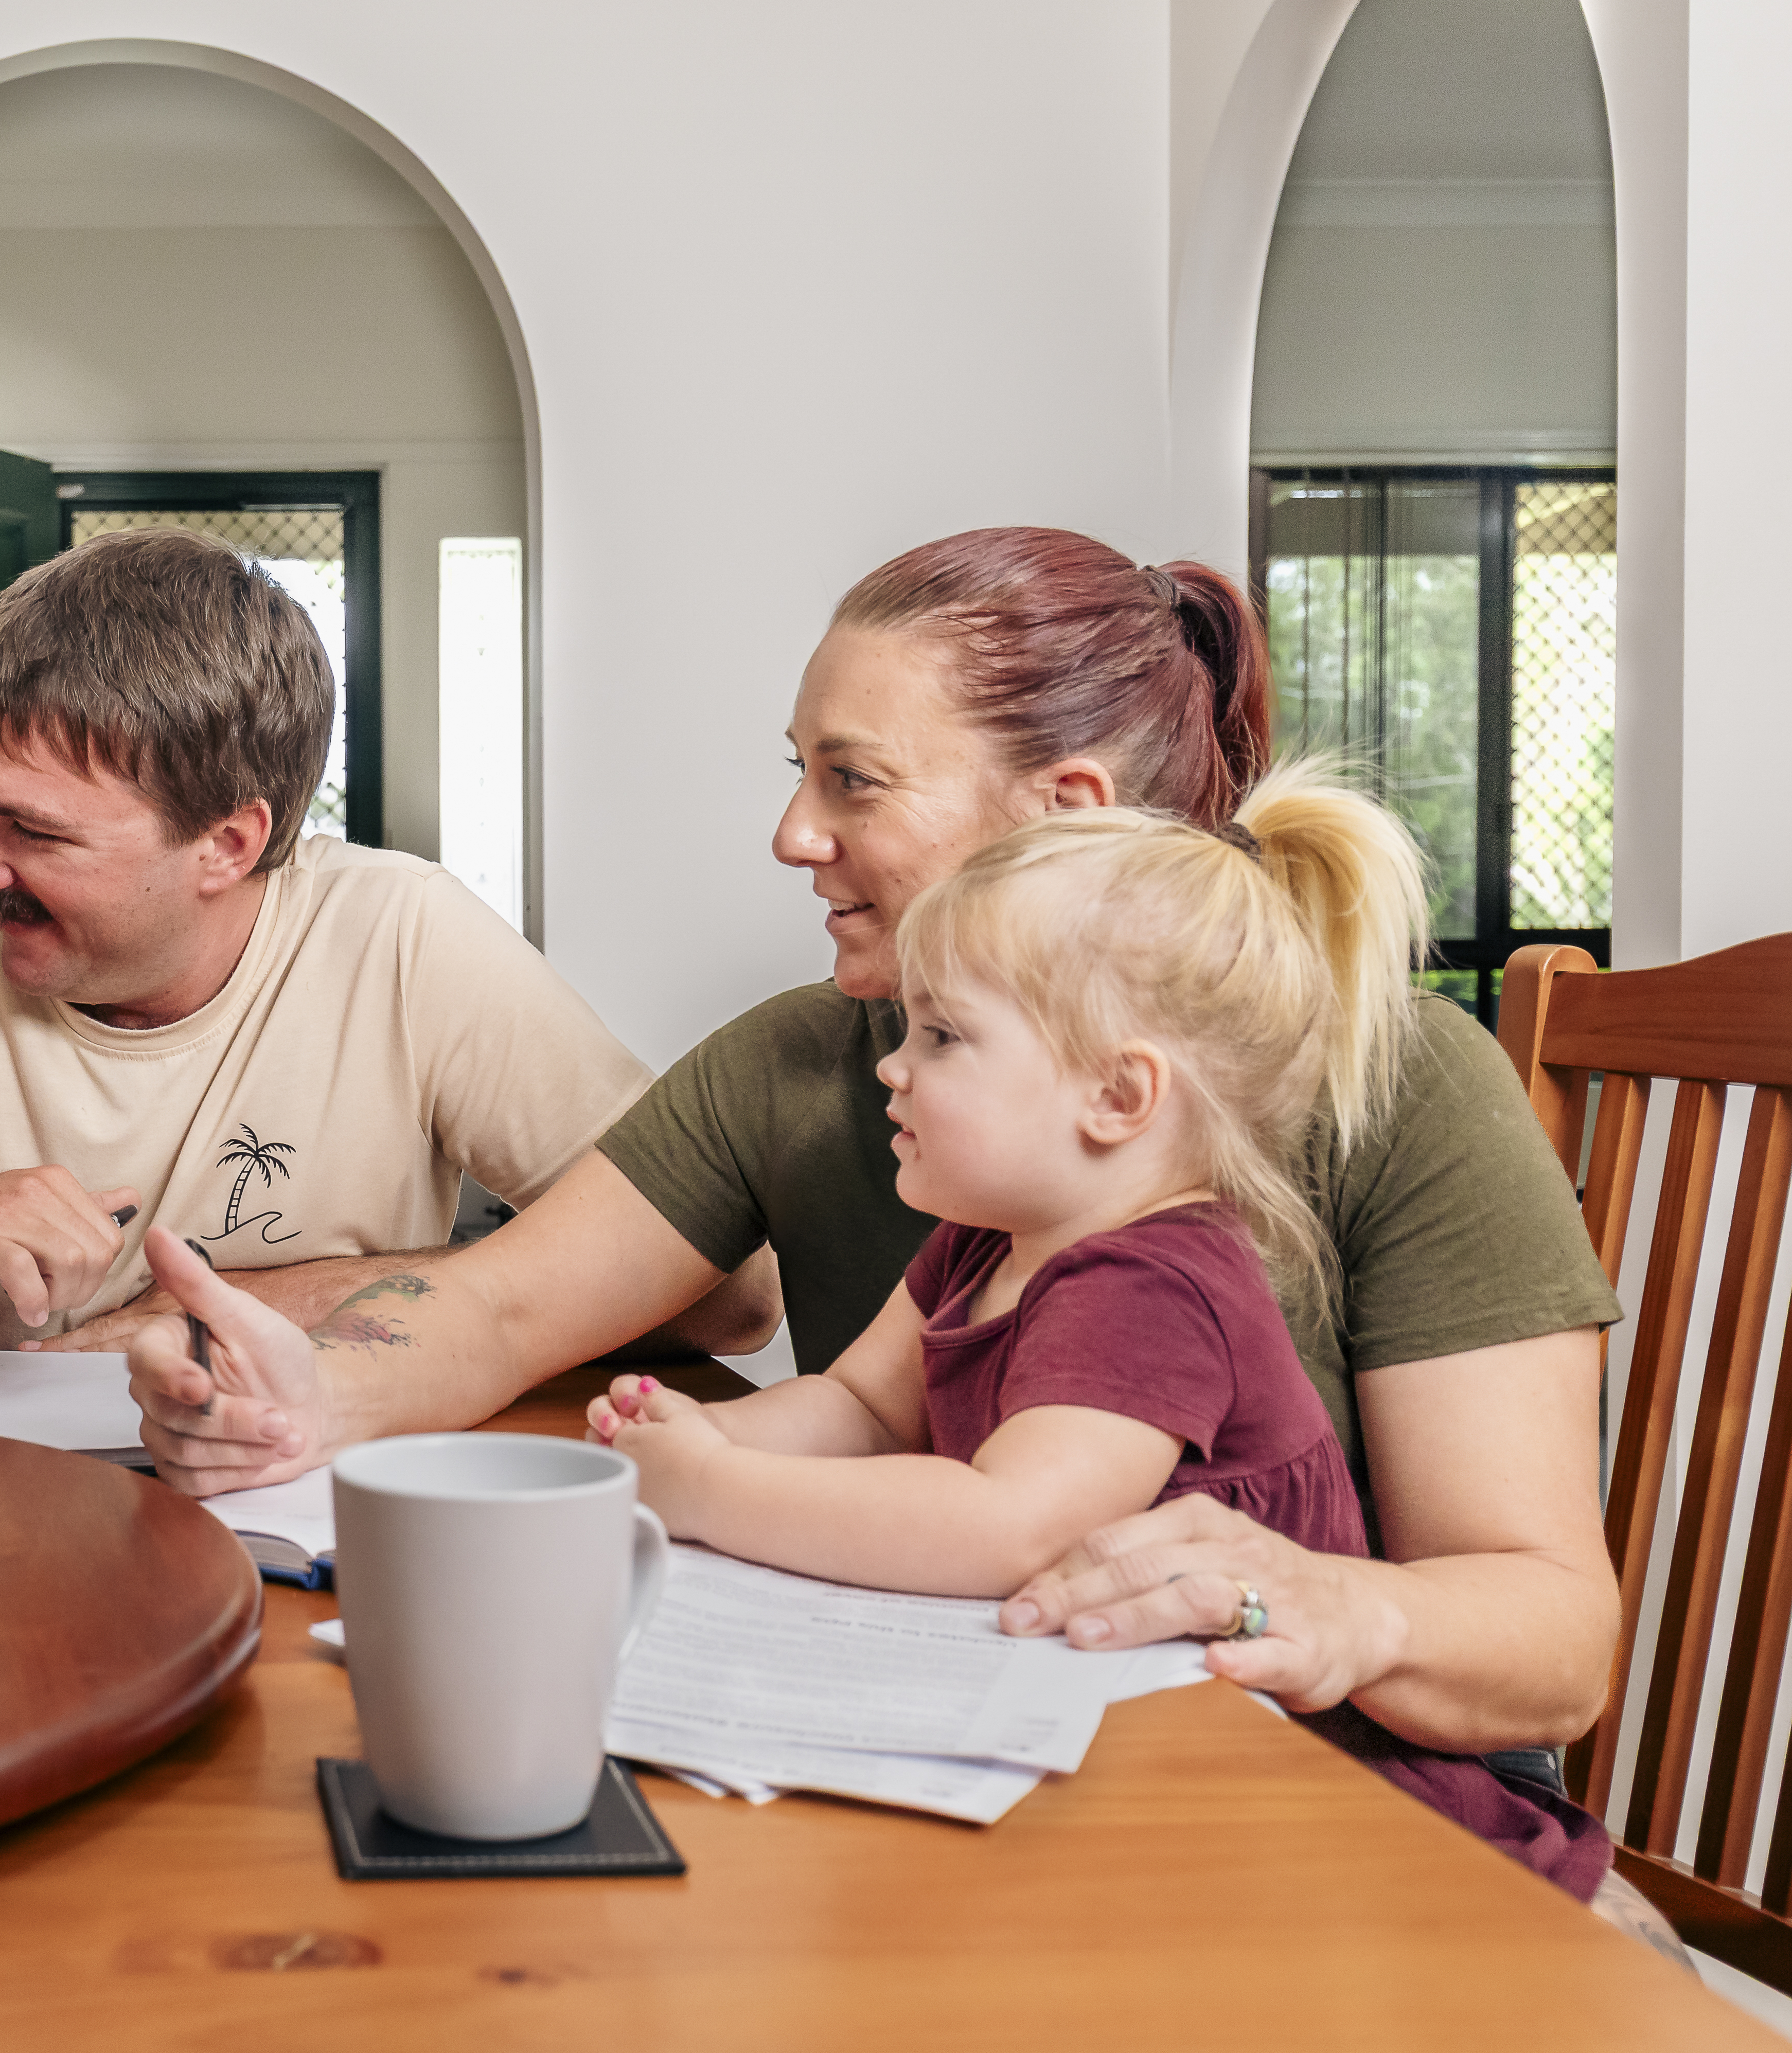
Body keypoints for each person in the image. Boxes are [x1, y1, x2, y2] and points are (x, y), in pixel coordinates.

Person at [129, 527, 1622, 1780]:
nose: (791, 832)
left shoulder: (1402, 1078)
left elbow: (1554, 1647)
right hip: (1016, 1762)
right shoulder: (812, 1059)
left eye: (855, 779)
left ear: (1063, 817)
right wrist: (304, 1400)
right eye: (801, 771)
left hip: (1339, 1818)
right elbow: (515, 1305)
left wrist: (1340, 1607)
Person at [582, 768, 1609, 1898]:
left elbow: (1010, 1526)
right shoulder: (991, 1240)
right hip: (1146, 1770)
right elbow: (863, 1408)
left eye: (941, 1036)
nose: (893, 1064)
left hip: (1332, 1817)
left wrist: (710, 1493)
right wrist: (692, 1447)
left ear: (1117, 1098)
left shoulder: (1153, 1282)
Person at [0, 525, 761, 1361]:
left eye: (32, 831)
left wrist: (275, 1302)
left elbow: (727, 1293)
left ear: (227, 843)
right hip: (13, 1524)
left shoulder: (404, 938)